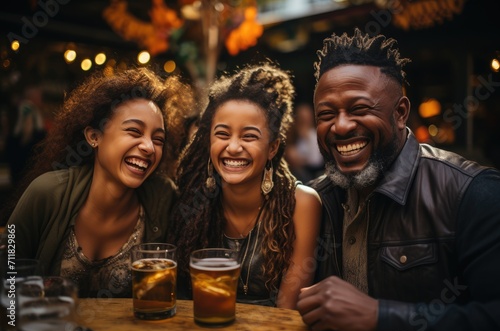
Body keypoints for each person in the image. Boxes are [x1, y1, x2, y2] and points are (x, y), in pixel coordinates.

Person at [296, 28, 500, 331]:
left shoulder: (472, 193)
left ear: (401, 113)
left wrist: (380, 317)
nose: (340, 126)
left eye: (359, 109)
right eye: (326, 114)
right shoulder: (312, 201)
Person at [5, 67, 194, 298]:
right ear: (94, 137)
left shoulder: (162, 198)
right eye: (134, 131)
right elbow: (8, 271)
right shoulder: (46, 193)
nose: (149, 147)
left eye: (158, 139)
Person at [169, 63, 322, 309]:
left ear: (272, 147)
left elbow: (287, 311)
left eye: (249, 136)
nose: (233, 147)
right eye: (222, 134)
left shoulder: (302, 204)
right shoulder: (191, 201)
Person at [285, 102, 324, 182]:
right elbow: (290, 156)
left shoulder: (315, 134)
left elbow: (316, 161)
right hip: (294, 174)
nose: (305, 121)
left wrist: (308, 138)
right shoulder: (292, 135)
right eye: (302, 118)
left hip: (313, 174)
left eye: (307, 117)